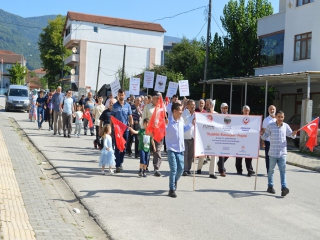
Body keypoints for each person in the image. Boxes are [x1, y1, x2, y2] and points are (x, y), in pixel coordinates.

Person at [261, 110, 297, 197]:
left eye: (282, 117)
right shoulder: (270, 126)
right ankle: (270, 186)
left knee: (283, 171)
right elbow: (265, 136)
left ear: (284, 117)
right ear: (276, 117)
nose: (280, 118)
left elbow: (291, 135)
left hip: (282, 153)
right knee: (271, 171)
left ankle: (284, 188)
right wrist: (261, 135)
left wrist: (294, 134)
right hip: (272, 153)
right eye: (279, 117)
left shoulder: (286, 126)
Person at [166, 102, 194, 198]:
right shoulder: (168, 121)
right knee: (173, 169)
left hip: (180, 149)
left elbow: (184, 129)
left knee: (181, 169)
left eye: (182, 110)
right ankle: (171, 189)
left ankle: (174, 181)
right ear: (174, 111)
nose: (182, 112)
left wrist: (191, 124)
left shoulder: (181, 120)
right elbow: (161, 130)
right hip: (171, 148)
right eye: (180, 110)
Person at [141, 93, 164, 177]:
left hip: (158, 133)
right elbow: (144, 118)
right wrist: (143, 130)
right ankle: (145, 166)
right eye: (156, 98)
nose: (158, 100)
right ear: (153, 98)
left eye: (159, 99)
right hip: (148, 132)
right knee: (147, 149)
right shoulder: (147, 107)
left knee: (157, 150)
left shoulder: (162, 108)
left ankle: (156, 168)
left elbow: (164, 119)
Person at [111, 89, 133, 173]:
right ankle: (117, 165)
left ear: (124, 95)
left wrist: (131, 126)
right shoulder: (115, 106)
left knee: (123, 148)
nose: (121, 96)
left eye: (122, 95)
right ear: (118, 95)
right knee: (117, 147)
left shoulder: (128, 105)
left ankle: (120, 163)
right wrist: (110, 128)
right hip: (117, 130)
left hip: (125, 130)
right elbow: (112, 118)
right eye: (120, 95)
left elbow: (130, 116)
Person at [196, 99, 218, 179]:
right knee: (202, 154)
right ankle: (199, 168)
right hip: (205, 137)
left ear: (212, 106)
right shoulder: (204, 114)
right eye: (207, 104)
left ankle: (212, 173)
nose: (208, 106)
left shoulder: (217, 114)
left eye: (209, 104)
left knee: (214, 155)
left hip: (214, 138)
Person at [235, 105, 256, 177]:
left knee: (248, 156)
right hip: (240, 139)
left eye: (248, 110)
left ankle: (250, 170)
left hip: (248, 140)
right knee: (239, 155)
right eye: (245, 110)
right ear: (242, 111)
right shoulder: (239, 119)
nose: (247, 112)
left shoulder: (252, 119)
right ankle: (239, 169)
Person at [182, 100, 195, 176]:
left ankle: (188, 168)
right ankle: (185, 169)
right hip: (185, 137)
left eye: (194, 105)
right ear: (188, 105)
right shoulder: (184, 113)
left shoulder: (196, 114)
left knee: (190, 155)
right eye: (192, 105)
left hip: (192, 137)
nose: (193, 106)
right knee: (185, 154)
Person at [262, 105, 276, 173]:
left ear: (275, 110)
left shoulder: (277, 119)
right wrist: (263, 141)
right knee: (268, 157)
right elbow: (264, 131)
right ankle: (269, 171)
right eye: (270, 109)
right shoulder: (266, 120)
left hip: (276, 142)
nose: (272, 110)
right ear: (268, 110)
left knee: (274, 157)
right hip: (268, 141)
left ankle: (272, 169)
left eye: (273, 109)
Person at [217, 102, 229, 177]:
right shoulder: (218, 116)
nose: (225, 109)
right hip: (220, 137)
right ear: (221, 108)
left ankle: (219, 164)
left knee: (227, 153)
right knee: (221, 154)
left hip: (228, 137)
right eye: (224, 108)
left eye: (226, 108)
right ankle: (222, 170)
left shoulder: (229, 116)